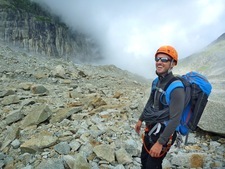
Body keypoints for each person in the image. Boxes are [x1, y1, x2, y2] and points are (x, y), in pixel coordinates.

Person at [135, 45, 186, 169]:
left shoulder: (176, 88)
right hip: (152, 126)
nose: (159, 62)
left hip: (166, 132)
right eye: (157, 59)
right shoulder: (156, 82)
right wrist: (140, 119)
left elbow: (175, 119)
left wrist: (160, 143)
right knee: (144, 159)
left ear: (173, 63)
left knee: (153, 165)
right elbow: (150, 102)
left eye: (164, 59)